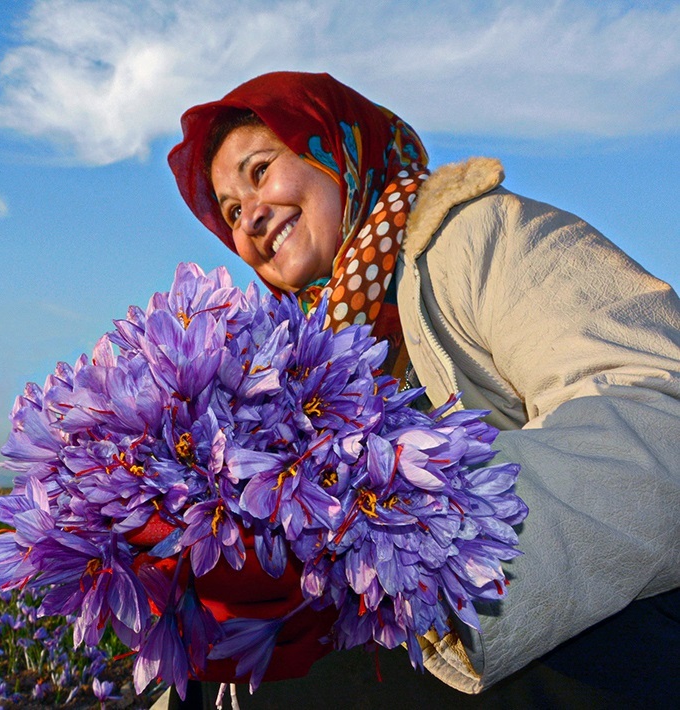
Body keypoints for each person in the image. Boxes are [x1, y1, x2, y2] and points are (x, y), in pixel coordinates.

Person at [156, 71, 680, 707]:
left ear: (335, 147)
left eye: (260, 171)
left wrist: (410, 521)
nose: (252, 218)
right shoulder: (284, 363)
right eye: (233, 212)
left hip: (606, 640)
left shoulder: (478, 236)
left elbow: (660, 407)